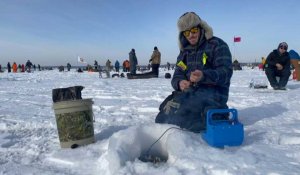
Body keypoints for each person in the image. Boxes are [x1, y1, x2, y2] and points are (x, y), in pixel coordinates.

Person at [155, 12, 233, 132]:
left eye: (194, 30)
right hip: (190, 94)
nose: (191, 35)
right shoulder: (184, 52)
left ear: (201, 29)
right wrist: (180, 83)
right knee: (163, 117)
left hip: (214, 96)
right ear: (183, 35)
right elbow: (177, 74)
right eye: (186, 32)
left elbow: (226, 73)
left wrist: (204, 76)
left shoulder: (217, 45)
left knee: (186, 122)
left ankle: (217, 114)